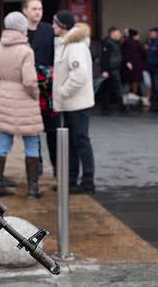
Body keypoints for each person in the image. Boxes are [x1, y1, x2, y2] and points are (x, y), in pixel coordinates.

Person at [0, 12, 44, 198]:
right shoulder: (26, 51)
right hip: (25, 102)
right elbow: (30, 81)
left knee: (3, 141)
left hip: (4, 99)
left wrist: (5, 88)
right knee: (32, 142)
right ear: (22, 28)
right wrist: (35, 94)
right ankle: (33, 189)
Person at [52, 11, 96, 194]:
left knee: (81, 141)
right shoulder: (67, 43)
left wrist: (63, 91)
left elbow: (79, 75)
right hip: (70, 104)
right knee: (72, 142)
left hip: (77, 104)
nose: (53, 26)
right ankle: (71, 179)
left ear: (62, 26)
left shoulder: (75, 46)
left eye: (55, 23)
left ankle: (87, 181)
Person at [22, 0, 59, 181]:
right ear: (25, 11)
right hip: (28, 91)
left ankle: (57, 168)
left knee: (52, 132)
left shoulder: (49, 30)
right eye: (34, 9)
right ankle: (36, 169)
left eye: (40, 8)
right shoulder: (20, 32)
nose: (38, 12)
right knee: (32, 133)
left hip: (48, 91)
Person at [100, 27, 128, 115]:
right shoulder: (107, 43)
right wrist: (104, 70)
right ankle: (121, 107)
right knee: (116, 88)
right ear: (112, 33)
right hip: (111, 69)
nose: (120, 35)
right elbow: (104, 57)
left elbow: (118, 55)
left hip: (114, 68)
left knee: (109, 89)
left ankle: (107, 107)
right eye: (118, 33)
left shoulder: (116, 43)